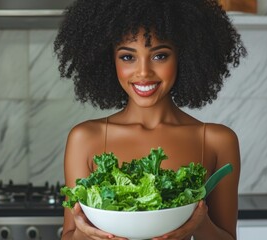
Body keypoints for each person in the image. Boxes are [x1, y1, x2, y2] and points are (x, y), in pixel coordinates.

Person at [54, 0, 246, 239]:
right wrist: (84, 230)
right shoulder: (85, 138)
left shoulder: (218, 140)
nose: (143, 72)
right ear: (108, 60)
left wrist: (199, 222)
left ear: (184, 56)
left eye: (160, 56)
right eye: (127, 57)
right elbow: (70, 235)